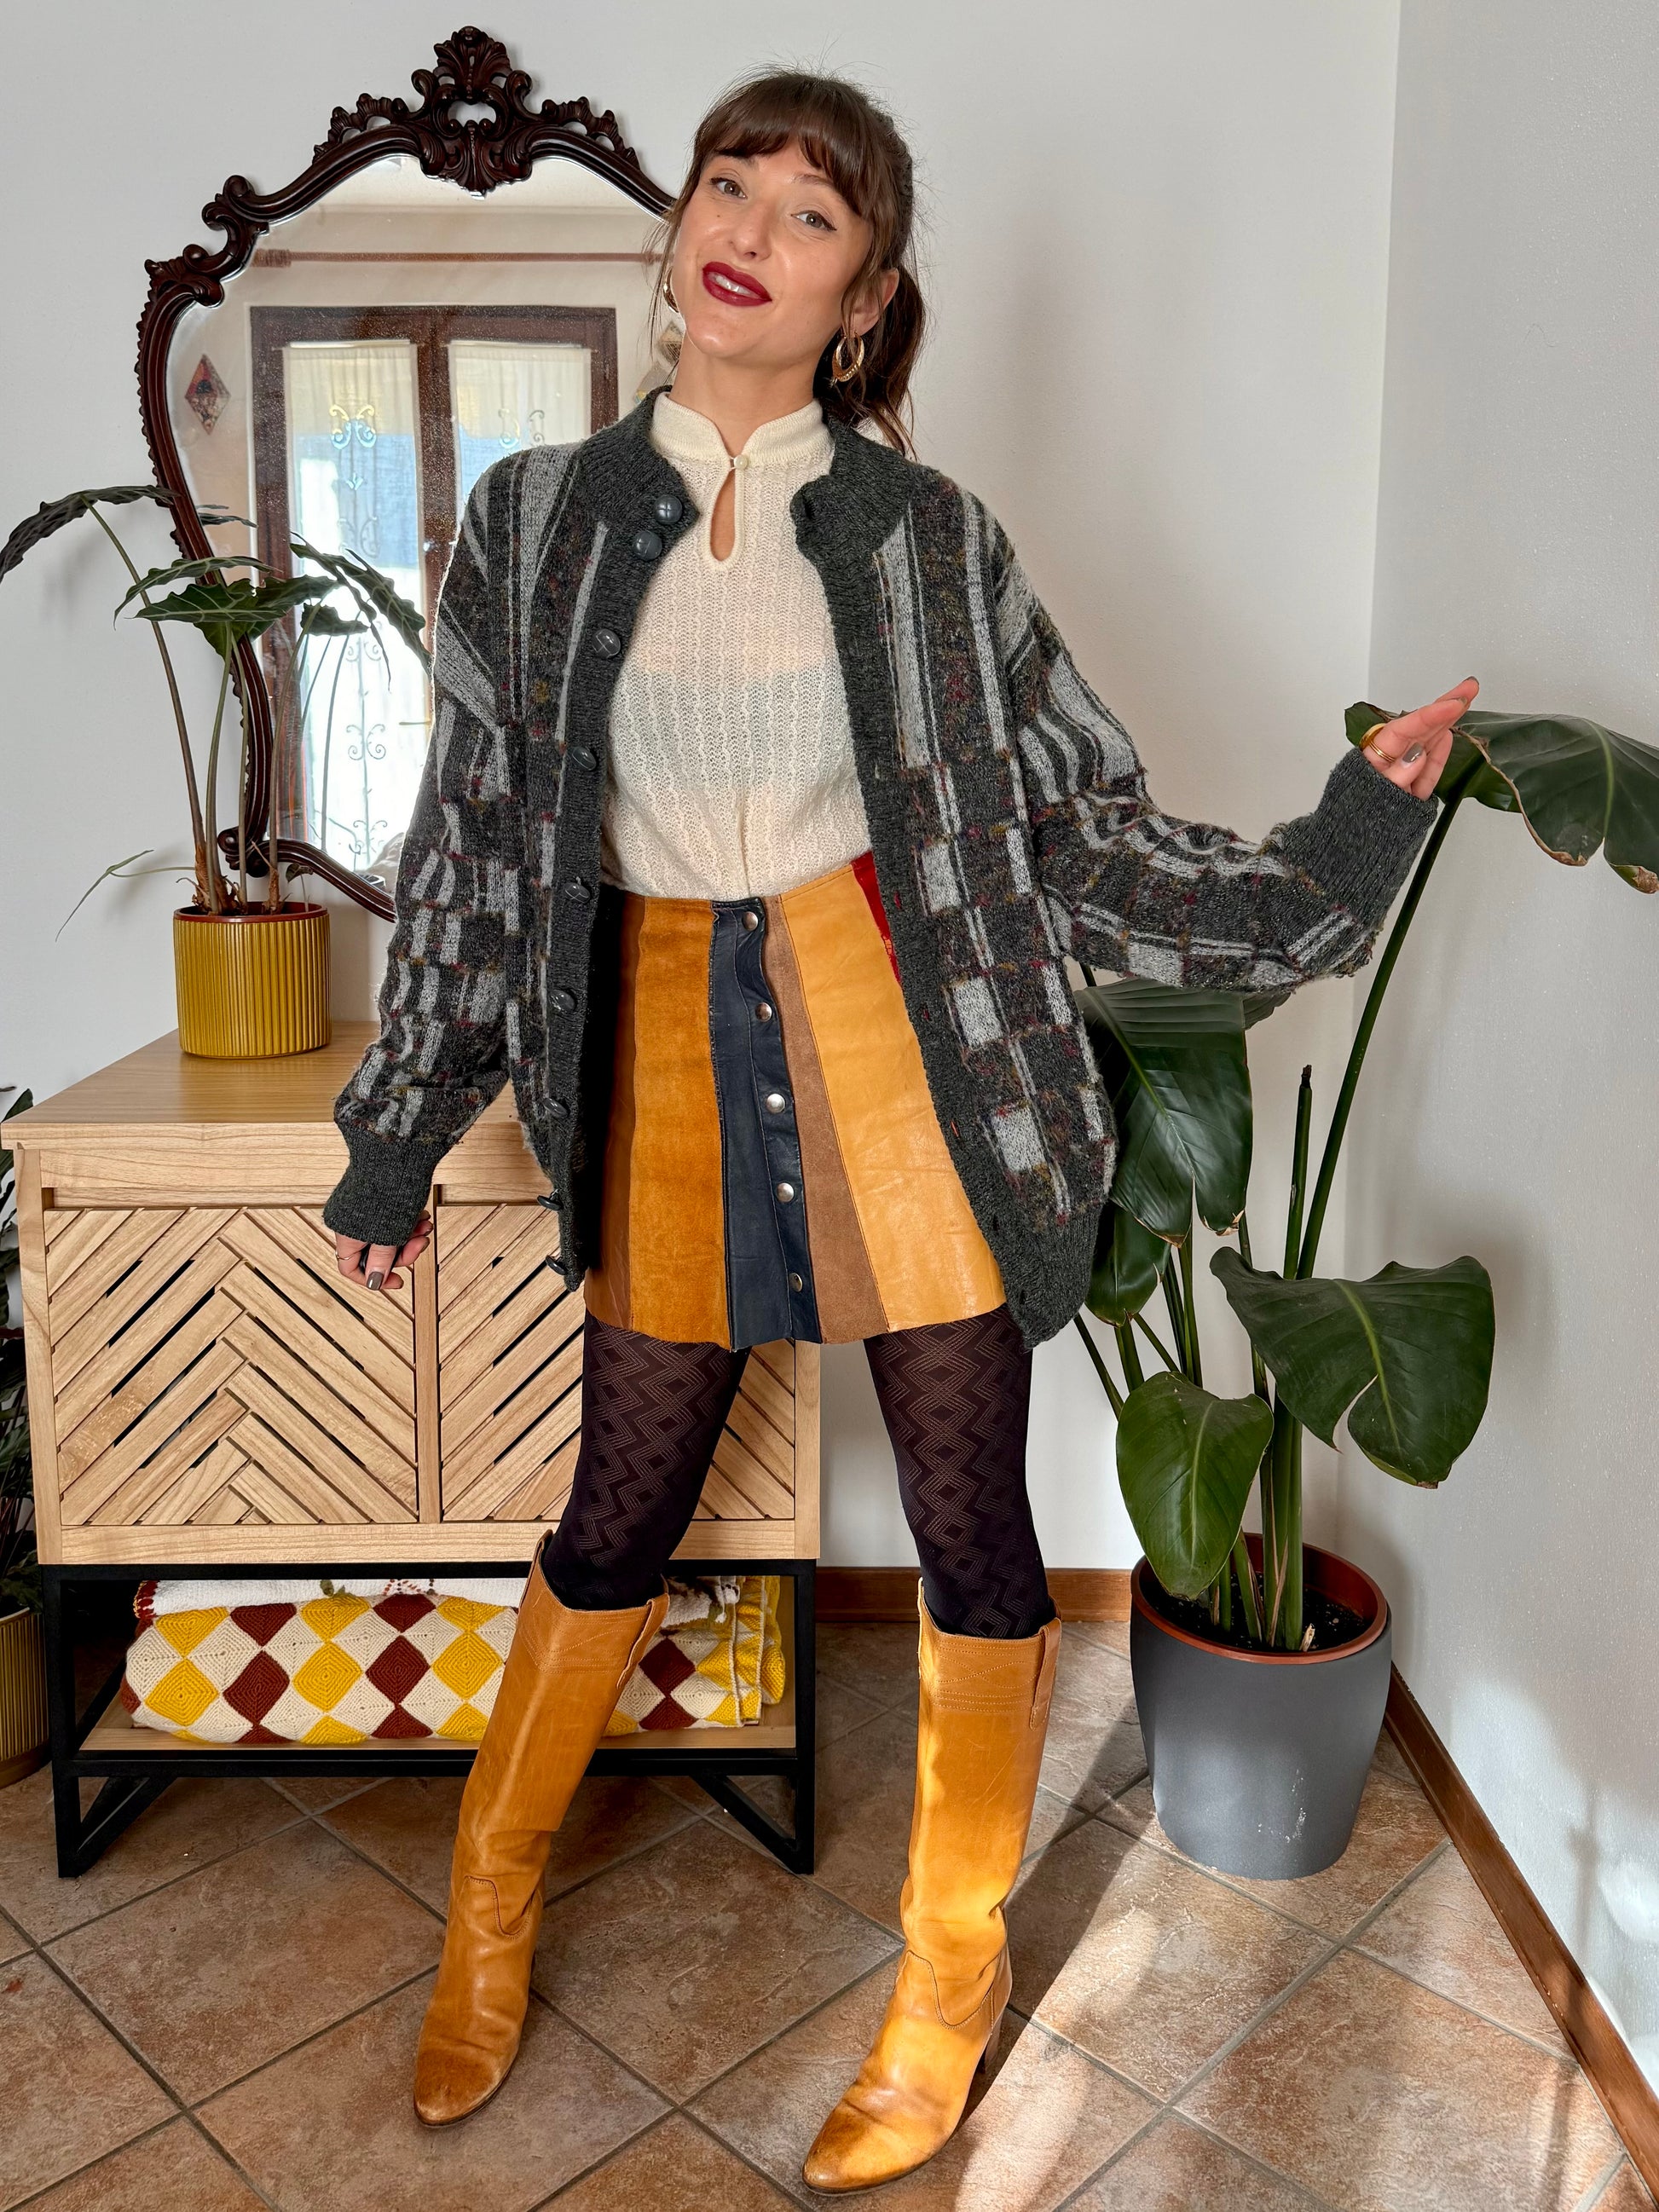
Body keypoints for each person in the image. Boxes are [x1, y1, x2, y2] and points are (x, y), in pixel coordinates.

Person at [321, 66, 1473, 2189]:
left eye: (812, 211)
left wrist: (1337, 843)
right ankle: (483, 1920)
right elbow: (474, 843)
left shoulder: (932, 541)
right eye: (727, 183)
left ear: (862, 299)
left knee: (969, 1520)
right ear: (680, 225)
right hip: (660, 1045)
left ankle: (944, 1991)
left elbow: (1079, 827)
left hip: (911, 1043)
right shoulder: (534, 520)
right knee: (618, 1508)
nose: (747, 227)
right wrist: (402, 1130)